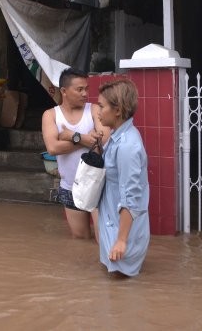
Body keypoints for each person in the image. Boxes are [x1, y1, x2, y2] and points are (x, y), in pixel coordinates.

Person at [41, 68, 108, 239]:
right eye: (79, 89)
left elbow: (104, 142)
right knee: (80, 240)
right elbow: (53, 148)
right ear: (64, 91)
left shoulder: (93, 109)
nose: (85, 93)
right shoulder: (50, 115)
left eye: (86, 88)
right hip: (70, 187)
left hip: (97, 184)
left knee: (104, 239)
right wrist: (87, 140)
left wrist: (72, 136)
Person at [96, 78, 149, 277]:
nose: (98, 111)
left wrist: (121, 240)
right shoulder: (117, 137)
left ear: (117, 111)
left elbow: (131, 197)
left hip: (122, 232)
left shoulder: (127, 146)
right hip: (113, 224)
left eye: (102, 106)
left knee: (120, 288)